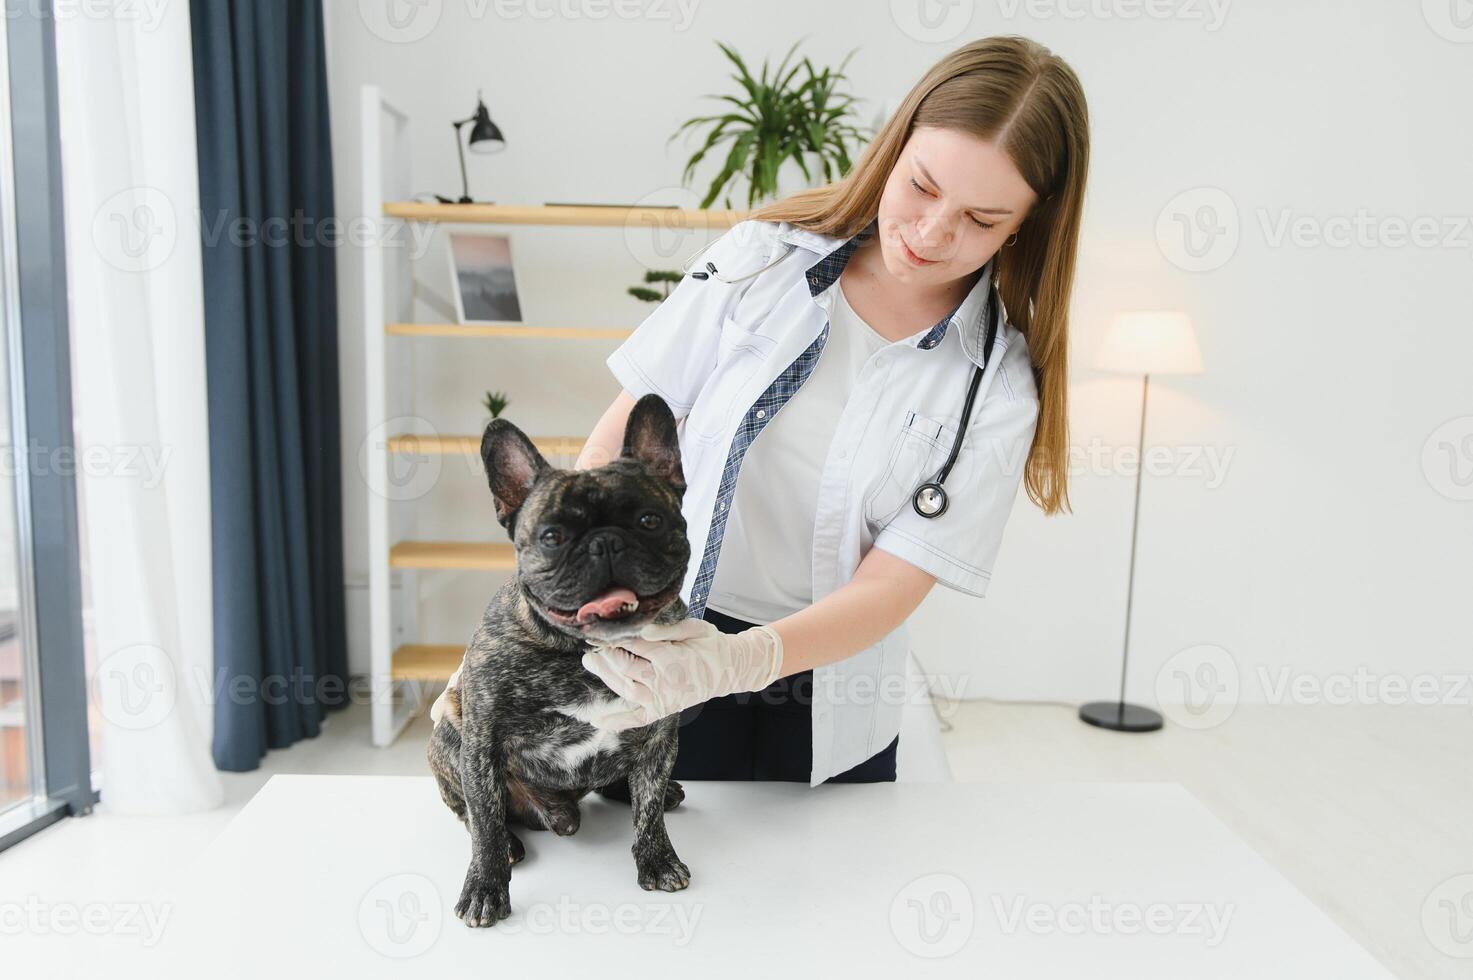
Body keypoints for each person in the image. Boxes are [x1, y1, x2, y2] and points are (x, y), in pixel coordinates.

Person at [576, 34, 1090, 794]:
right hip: (660, 643)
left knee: (826, 895)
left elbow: (892, 584)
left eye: (981, 220)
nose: (930, 232)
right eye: (920, 186)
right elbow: (618, 446)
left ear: (1025, 224)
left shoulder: (1001, 387)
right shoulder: (757, 261)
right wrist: (538, 608)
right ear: (893, 148)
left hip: (828, 687)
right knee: (655, 891)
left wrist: (741, 661)